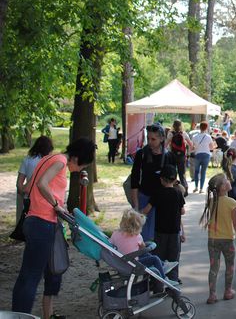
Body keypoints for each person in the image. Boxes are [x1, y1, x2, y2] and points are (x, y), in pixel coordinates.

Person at [12, 137, 96, 317]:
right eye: (82, 165)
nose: (80, 170)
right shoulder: (60, 161)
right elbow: (42, 184)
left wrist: (59, 207)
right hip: (42, 223)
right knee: (31, 276)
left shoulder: (49, 158)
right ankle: (19, 315)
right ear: (76, 158)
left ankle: (43, 313)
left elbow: (28, 189)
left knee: (39, 273)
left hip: (36, 220)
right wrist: (55, 204)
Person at [200, 173, 236, 304]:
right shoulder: (232, 203)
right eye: (226, 181)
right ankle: (228, 291)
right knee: (230, 265)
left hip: (212, 240)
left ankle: (212, 295)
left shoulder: (211, 201)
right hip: (227, 240)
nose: (229, 181)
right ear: (223, 187)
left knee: (214, 268)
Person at [130, 122, 177, 242]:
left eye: (153, 139)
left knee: (160, 236)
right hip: (145, 198)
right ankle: (143, 259)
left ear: (162, 139)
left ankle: (159, 259)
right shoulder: (141, 154)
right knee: (144, 236)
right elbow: (134, 181)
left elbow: (173, 180)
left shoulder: (169, 156)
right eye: (148, 138)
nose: (150, 142)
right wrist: (136, 205)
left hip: (163, 201)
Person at [141, 164, 185, 283]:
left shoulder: (157, 193)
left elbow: (146, 210)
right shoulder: (178, 193)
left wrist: (138, 215)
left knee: (159, 257)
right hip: (174, 232)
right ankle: (173, 280)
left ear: (161, 179)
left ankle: (158, 282)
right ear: (175, 179)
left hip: (160, 231)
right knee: (173, 258)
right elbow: (182, 211)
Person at [109, 208, 177, 283]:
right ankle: (164, 278)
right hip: (133, 264)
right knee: (154, 258)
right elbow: (143, 249)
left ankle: (163, 265)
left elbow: (110, 244)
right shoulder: (137, 236)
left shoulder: (115, 234)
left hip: (121, 262)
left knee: (144, 255)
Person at [16, 136, 54, 223]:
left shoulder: (27, 160)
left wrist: (23, 192)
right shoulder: (51, 162)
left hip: (29, 198)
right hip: (46, 199)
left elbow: (19, 184)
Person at [166, 119, 193, 195]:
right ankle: (185, 189)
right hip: (181, 156)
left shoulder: (170, 134)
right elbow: (191, 144)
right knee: (182, 173)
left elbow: (165, 145)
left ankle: (174, 189)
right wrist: (188, 152)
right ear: (181, 126)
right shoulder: (184, 133)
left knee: (173, 172)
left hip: (172, 155)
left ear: (173, 126)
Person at [191, 121, 214, 193]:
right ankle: (201, 189)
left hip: (198, 155)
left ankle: (196, 187)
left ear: (199, 127)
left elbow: (192, 147)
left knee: (196, 171)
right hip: (206, 155)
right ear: (206, 128)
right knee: (203, 172)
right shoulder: (208, 137)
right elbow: (211, 147)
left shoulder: (195, 137)